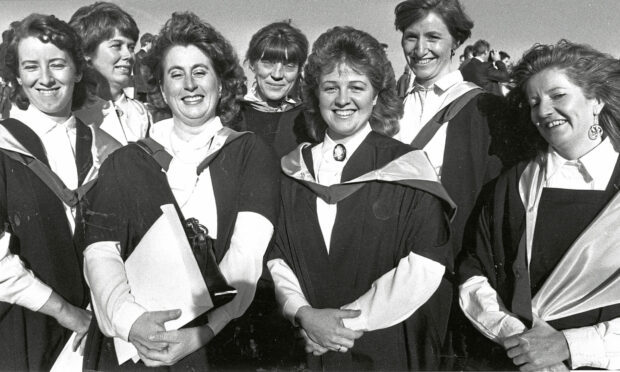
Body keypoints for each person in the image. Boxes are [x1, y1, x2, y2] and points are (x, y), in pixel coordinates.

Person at [81, 11, 279, 370]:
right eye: (176, 74)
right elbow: (100, 253)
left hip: (216, 344)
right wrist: (130, 321)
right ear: (160, 87)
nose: (189, 84)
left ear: (222, 82)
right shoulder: (125, 160)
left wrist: (206, 329)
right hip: (136, 345)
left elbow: (247, 255)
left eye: (200, 71)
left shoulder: (250, 153)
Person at [267, 26, 454, 371]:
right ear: (315, 94)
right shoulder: (293, 170)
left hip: (384, 348)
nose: (342, 100)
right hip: (306, 347)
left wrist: (342, 327)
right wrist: (303, 314)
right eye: (330, 87)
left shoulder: (407, 167)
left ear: (376, 96)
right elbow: (276, 256)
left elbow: (424, 266)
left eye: (356, 87)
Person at [459, 40, 620, 370]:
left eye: (558, 96)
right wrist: (518, 339)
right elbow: (474, 272)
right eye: (534, 102)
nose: (543, 111)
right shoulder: (513, 185)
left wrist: (569, 346)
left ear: (598, 100)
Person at [0, 13, 119, 370]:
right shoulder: (3, 145)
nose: (46, 78)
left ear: (78, 70)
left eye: (57, 64)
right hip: (24, 328)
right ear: (18, 76)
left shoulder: (107, 149)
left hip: (100, 326)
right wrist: (64, 312)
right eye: (31, 66)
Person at [392, 0, 503, 367]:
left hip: (447, 274)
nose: (420, 49)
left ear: (456, 41)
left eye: (433, 37)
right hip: (386, 269)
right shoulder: (386, 104)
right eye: (411, 37)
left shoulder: (485, 109)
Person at [70, 1, 150, 145]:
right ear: (86, 53)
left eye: (131, 47)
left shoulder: (142, 114)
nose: (129, 55)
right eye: (116, 46)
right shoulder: (72, 115)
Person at [236, 21, 310, 158]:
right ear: (252, 64)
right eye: (268, 63)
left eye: (289, 66)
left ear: (300, 70)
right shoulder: (232, 116)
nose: (277, 75)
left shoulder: (309, 120)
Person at [133, 32, 153, 103]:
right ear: (147, 43)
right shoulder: (148, 57)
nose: (152, 46)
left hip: (137, 90)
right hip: (147, 91)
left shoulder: (135, 56)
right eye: (152, 43)